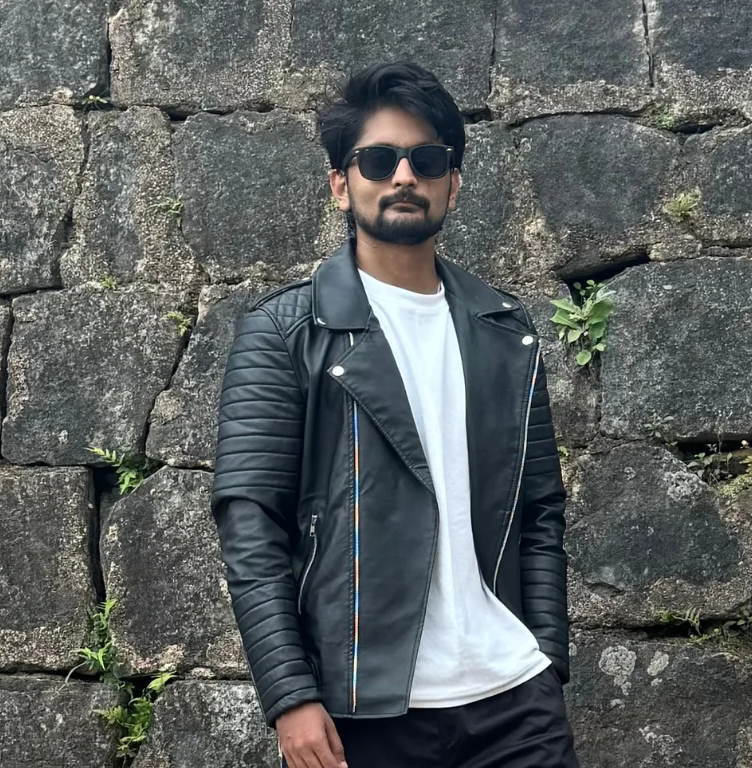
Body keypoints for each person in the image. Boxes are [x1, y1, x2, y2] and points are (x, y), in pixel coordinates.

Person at [210, 60, 579, 768]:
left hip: (516, 701)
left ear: (453, 183)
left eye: (427, 159)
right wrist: (290, 696)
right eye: (379, 160)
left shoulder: (505, 329)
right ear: (341, 186)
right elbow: (251, 525)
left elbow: (540, 510)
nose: (404, 175)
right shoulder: (288, 331)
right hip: (364, 712)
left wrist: (548, 658)